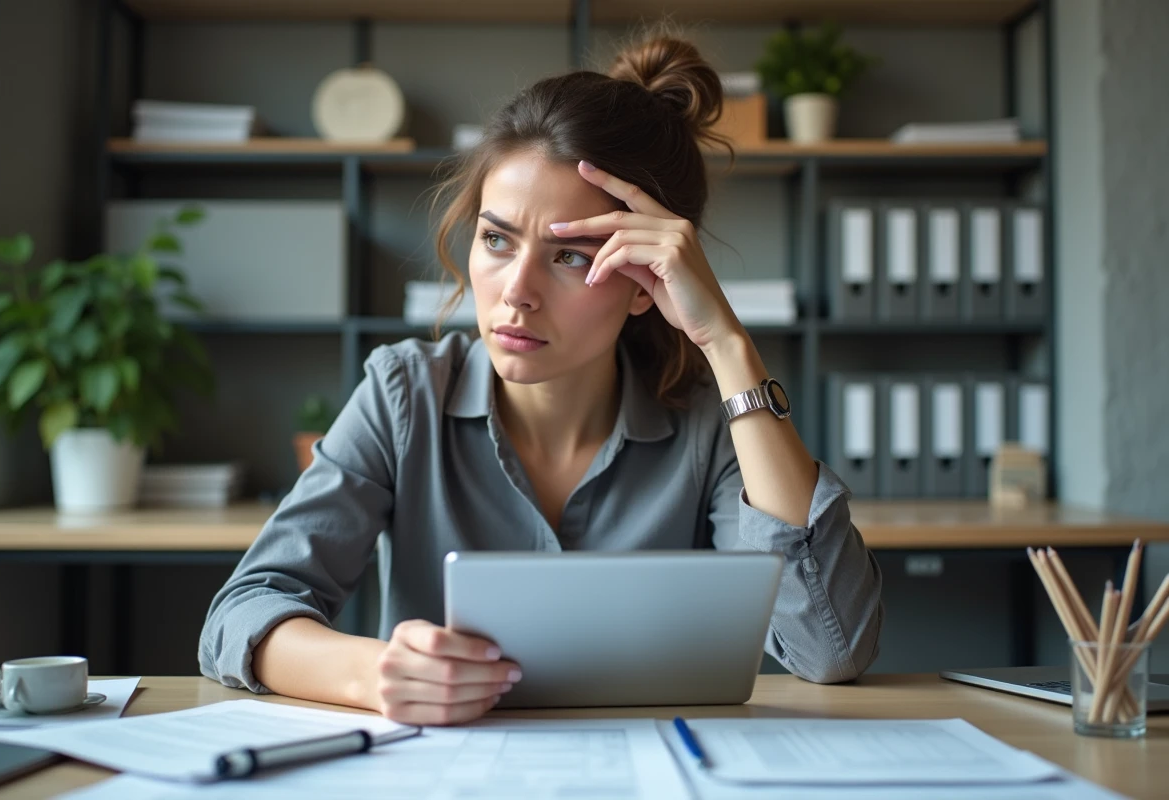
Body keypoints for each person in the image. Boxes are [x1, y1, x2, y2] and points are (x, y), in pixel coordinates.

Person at [199, 34, 883, 726]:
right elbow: (241, 613)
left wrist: (727, 343)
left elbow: (829, 648)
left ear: (646, 282)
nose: (515, 293)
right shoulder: (404, 393)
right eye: (497, 239)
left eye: (568, 256)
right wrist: (376, 675)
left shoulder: (712, 420)